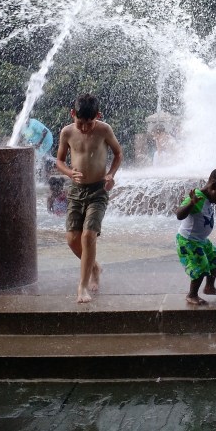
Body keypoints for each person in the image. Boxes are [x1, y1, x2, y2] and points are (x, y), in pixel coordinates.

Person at [55, 94, 123, 303]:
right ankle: (94, 267)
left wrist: (111, 174)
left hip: (98, 190)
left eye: (89, 123)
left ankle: (82, 287)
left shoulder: (104, 129)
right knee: (72, 239)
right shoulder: (67, 132)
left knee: (87, 236)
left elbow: (118, 154)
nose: (85, 128)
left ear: (98, 116)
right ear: (73, 114)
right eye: (80, 123)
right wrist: (68, 172)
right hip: (76, 191)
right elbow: (59, 160)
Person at [175, 167, 216, 305]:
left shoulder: (208, 197)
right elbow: (179, 214)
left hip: (201, 240)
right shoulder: (197, 197)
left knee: (215, 257)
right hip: (188, 241)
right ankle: (191, 295)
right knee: (201, 265)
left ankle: (209, 287)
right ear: (213, 186)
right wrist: (191, 204)